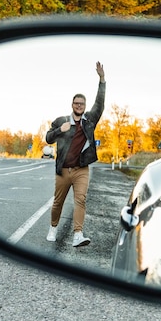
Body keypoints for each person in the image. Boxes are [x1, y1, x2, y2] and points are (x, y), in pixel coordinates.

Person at [45, 61, 106, 247]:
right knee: (58, 202)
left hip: (81, 170)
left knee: (81, 200)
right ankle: (53, 227)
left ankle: (78, 234)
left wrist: (102, 79)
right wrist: (59, 131)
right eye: (76, 103)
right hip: (63, 170)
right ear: (72, 104)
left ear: (85, 106)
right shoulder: (61, 121)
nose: (79, 105)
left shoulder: (89, 121)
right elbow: (48, 138)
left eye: (82, 103)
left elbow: (100, 104)